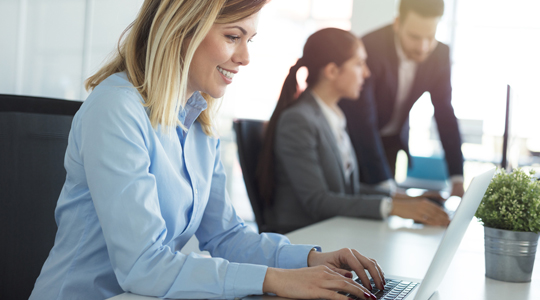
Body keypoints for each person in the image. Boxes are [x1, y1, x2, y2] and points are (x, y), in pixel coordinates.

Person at [29, 1, 385, 300]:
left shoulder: (197, 121)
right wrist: (277, 280)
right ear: (183, 30)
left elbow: (225, 236)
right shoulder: (116, 108)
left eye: (249, 40)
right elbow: (143, 265)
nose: (245, 57)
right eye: (233, 37)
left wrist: (310, 260)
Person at [258, 28, 450, 235]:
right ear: (332, 71)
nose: (367, 73)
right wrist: (393, 208)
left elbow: (346, 190)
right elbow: (318, 201)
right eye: (359, 64)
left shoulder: (334, 115)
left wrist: (404, 198)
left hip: (331, 229)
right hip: (303, 234)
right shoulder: (298, 120)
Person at [339, 0, 465, 197]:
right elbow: (363, 120)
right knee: (363, 201)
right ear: (397, 23)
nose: (423, 47)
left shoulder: (440, 54)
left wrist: (457, 179)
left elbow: (445, 114)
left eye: (430, 37)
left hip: (391, 141)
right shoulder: (370, 47)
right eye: (415, 37)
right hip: (356, 140)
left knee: (385, 211)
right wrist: (390, 192)